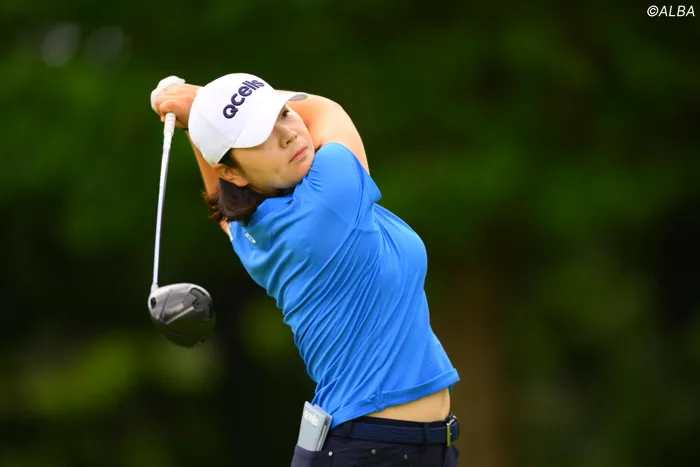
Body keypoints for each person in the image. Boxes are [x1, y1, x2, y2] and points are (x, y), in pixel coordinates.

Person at [152, 73, 461, 467]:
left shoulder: (254, 230)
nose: (287, 135)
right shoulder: (331, 196)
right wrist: (198, 101)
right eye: (259, 136)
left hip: (379, 446)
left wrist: (202, 123)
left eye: (283, 113)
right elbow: (325, 111)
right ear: (233, 172)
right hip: (375, 450)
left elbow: (221, 201)